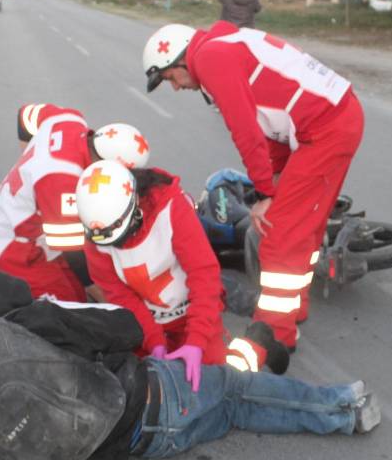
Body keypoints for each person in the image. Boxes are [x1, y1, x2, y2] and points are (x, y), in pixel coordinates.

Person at [0, 299, 380, 460]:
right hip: (156, 395)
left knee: (231, 411)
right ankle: (343, 408)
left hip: (143, 445)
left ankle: (341, 414)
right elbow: (126, 330)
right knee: (236, 386)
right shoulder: (26, 321)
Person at [141, 23, 364, 352]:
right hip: (328, 121)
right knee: (303, 231)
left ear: (179, 61)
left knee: (277, 237)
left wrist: (263, 194)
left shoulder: (211, 59)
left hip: (325, 129)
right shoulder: (222, 45)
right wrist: (274, 181)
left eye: (170, 78)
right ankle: (293, 309)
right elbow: (269, 126)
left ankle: (275, 333)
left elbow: (245, 131)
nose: (174, 88)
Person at [75, 159, 288, 379]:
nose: (116, 247)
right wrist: (154, 342)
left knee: (221, 382)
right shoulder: (97, 236)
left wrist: (196, 341)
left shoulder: (171, 209)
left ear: (135, 207)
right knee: (139, 385)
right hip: (148, 323)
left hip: (192, 313)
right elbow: (122, 298)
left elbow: (203, 276)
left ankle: (257, 345)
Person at [0, 103, 150, 303]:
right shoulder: (62, 182)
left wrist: (30, 164)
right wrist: (109, 300)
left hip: (19, 214)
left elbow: (25, 115)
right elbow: (74, 254)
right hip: (14, 246)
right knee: (71, 305)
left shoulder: (69, 119)